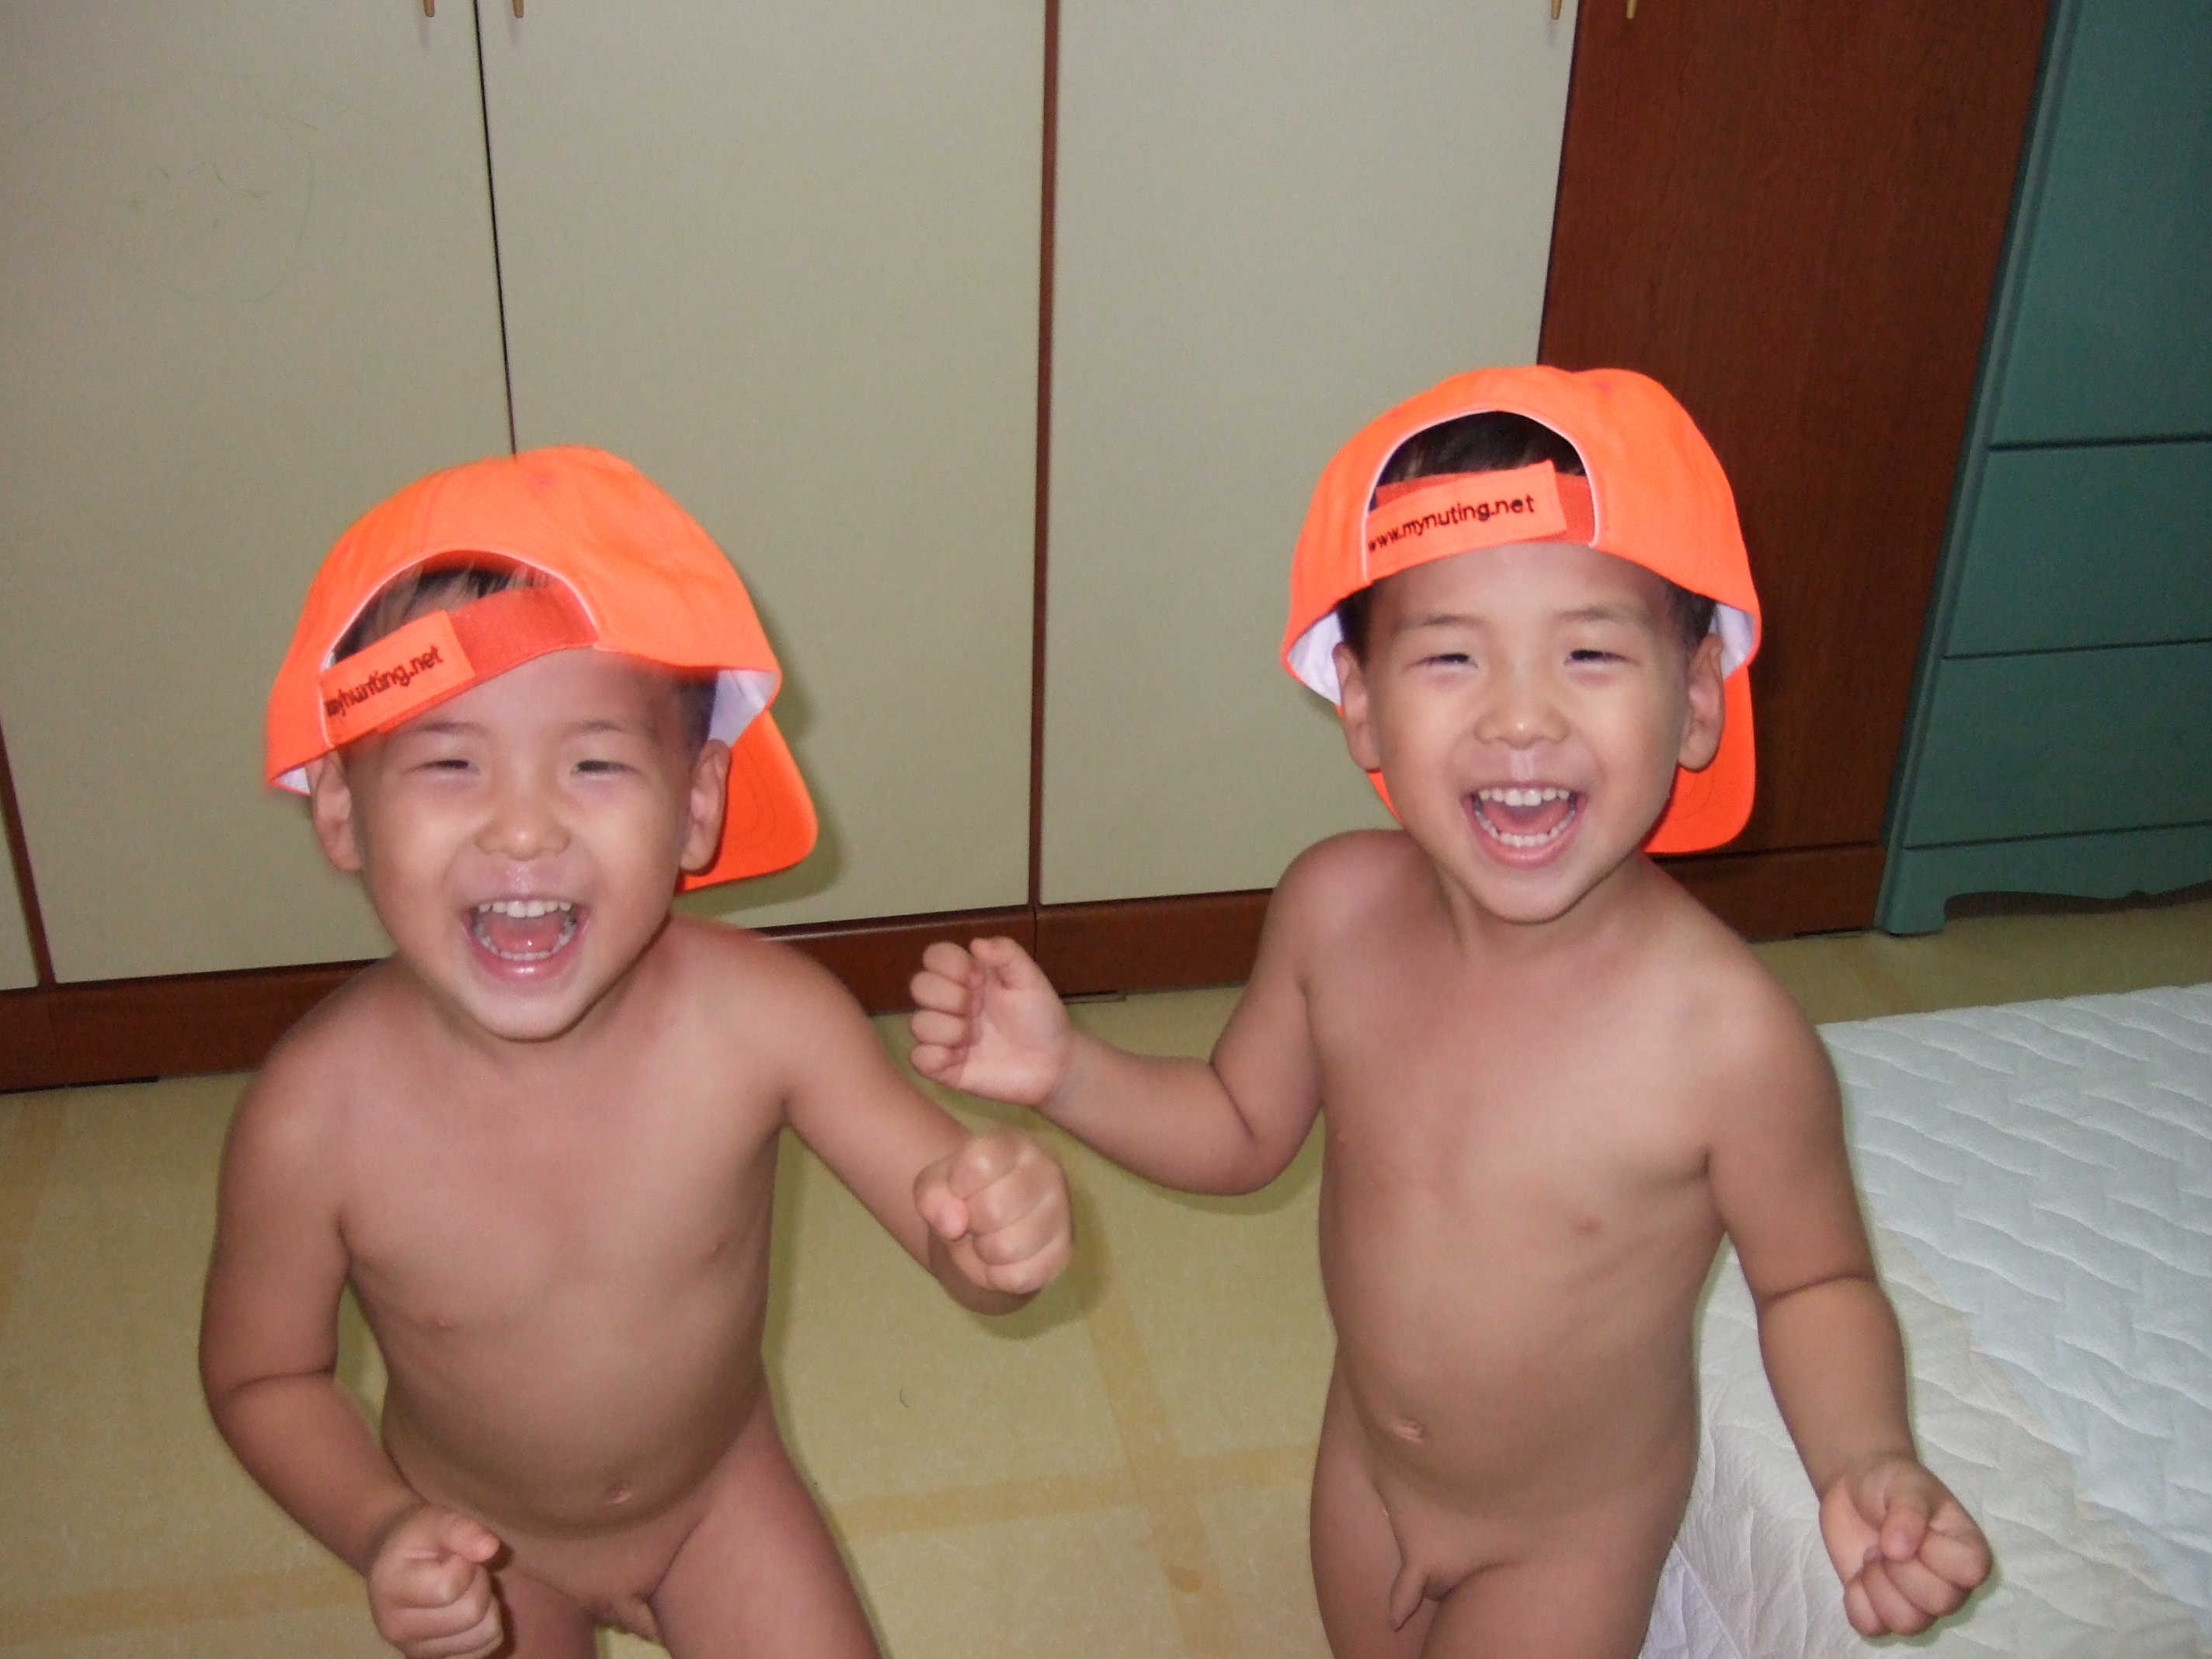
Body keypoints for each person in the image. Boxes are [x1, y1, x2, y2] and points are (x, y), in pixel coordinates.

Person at [909, 367, 1989, 1657]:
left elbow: (1815, 1280)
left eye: (1590, 653)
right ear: (1360, 701)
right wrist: (1066, 1069)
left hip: (1567, 1537)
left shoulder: (1725, 1041)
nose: (1520, 715)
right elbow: (1239, 1126)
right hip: (1366, 1473)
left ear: (1699, 697)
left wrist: (1865, 1456)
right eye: (1450, 656)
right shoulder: (1333, 913)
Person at [201, 447, 1073, 1659]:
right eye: (450, 762)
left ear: (698, 801)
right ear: (343, 808)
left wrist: (997, 1238)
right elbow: (263, 1378)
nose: (522, 826)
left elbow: (949, 1228)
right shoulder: (314, 1121)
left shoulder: (767, 1020)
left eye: (595, 763)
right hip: (476, 1540)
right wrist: (380, 1527)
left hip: (721, 1502)